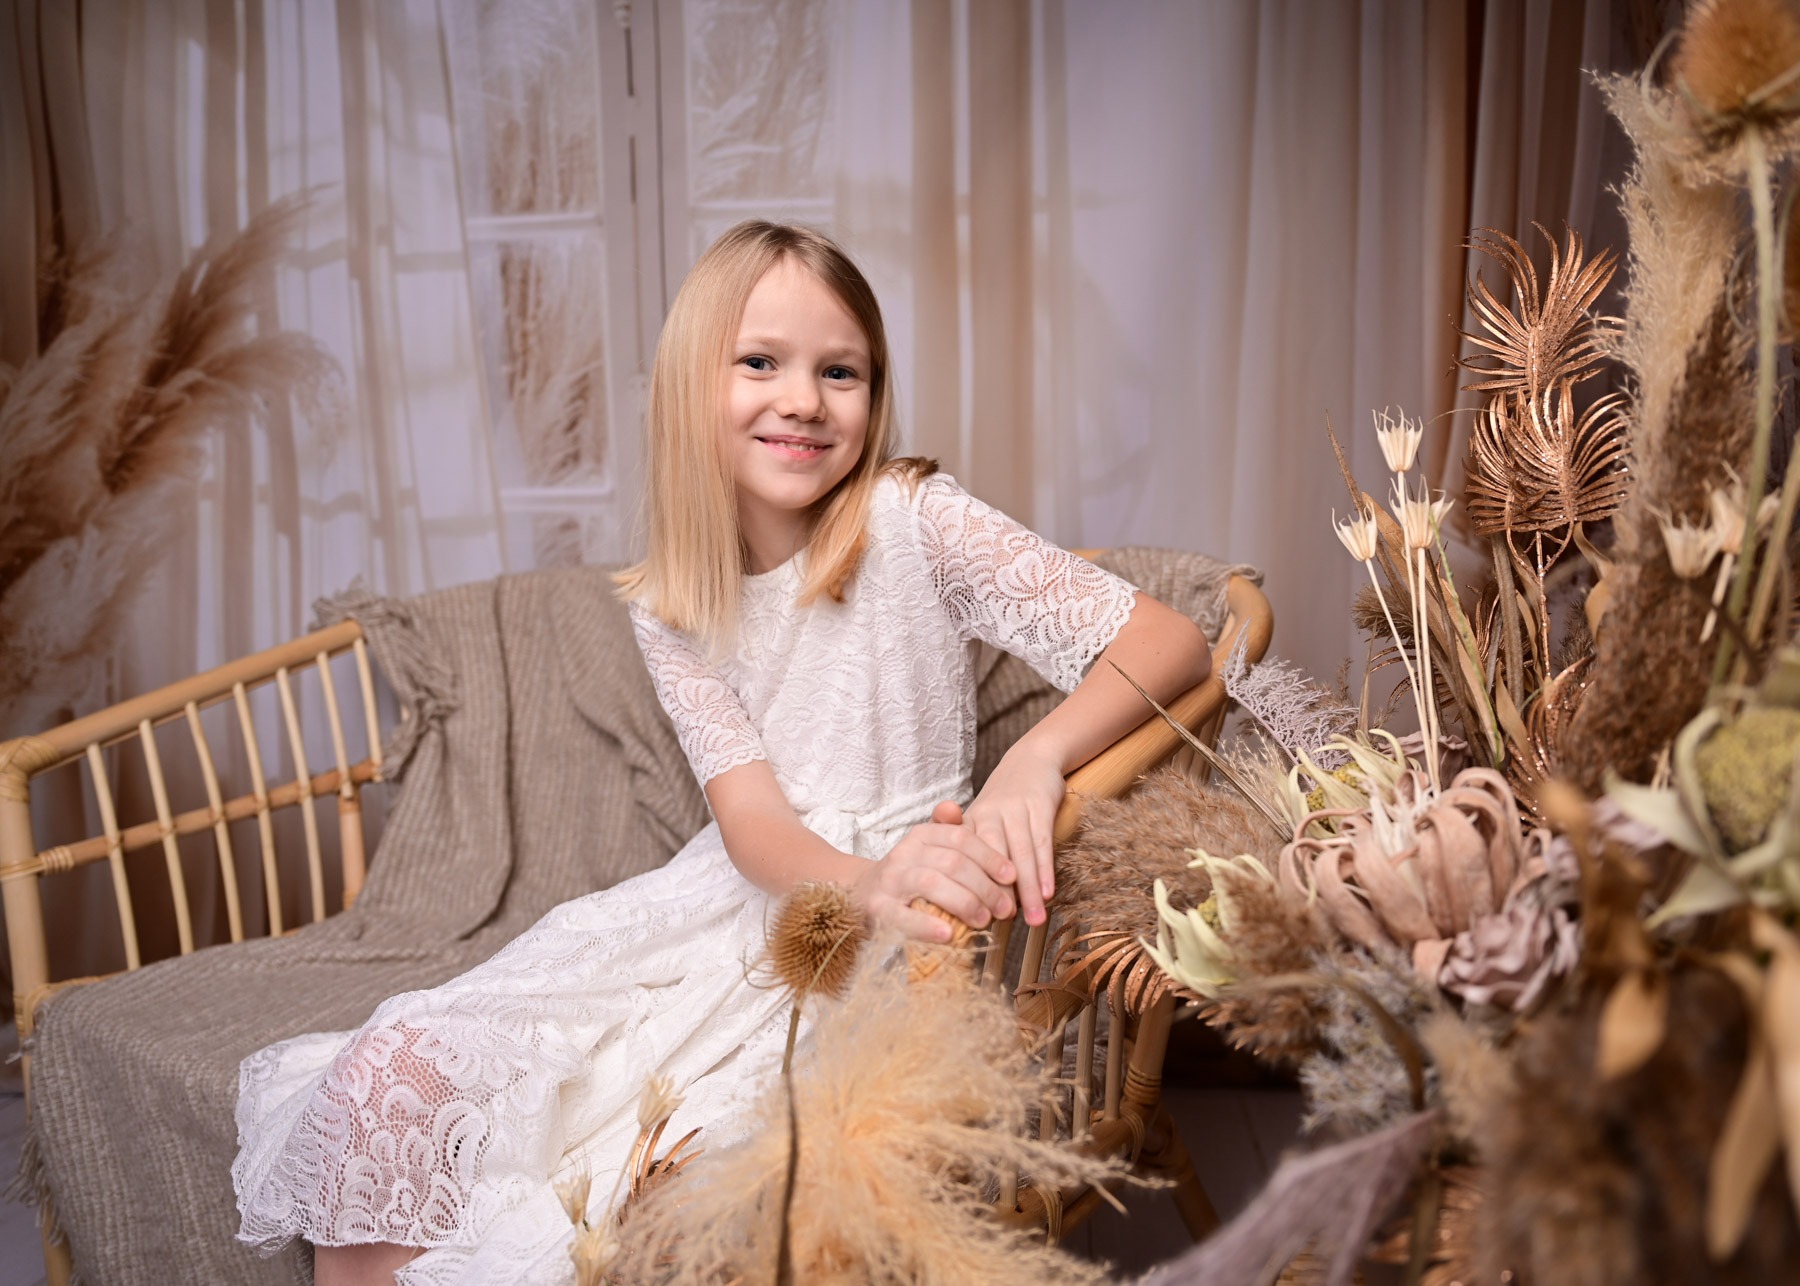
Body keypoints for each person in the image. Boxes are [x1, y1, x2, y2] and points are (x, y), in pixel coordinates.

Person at [231, 221, 1211, 1285]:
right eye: (760, 362)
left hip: (900, 923)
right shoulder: (672, 603)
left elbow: (1171, 640)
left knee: (660, 1181)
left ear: (874, 394)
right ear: (692, 386)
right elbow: (752, 823)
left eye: (840, 372)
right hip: (755, 897)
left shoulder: (913, 518)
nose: (804, 399)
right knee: (396, 1071)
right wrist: (858, 881)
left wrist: (1036, 760)